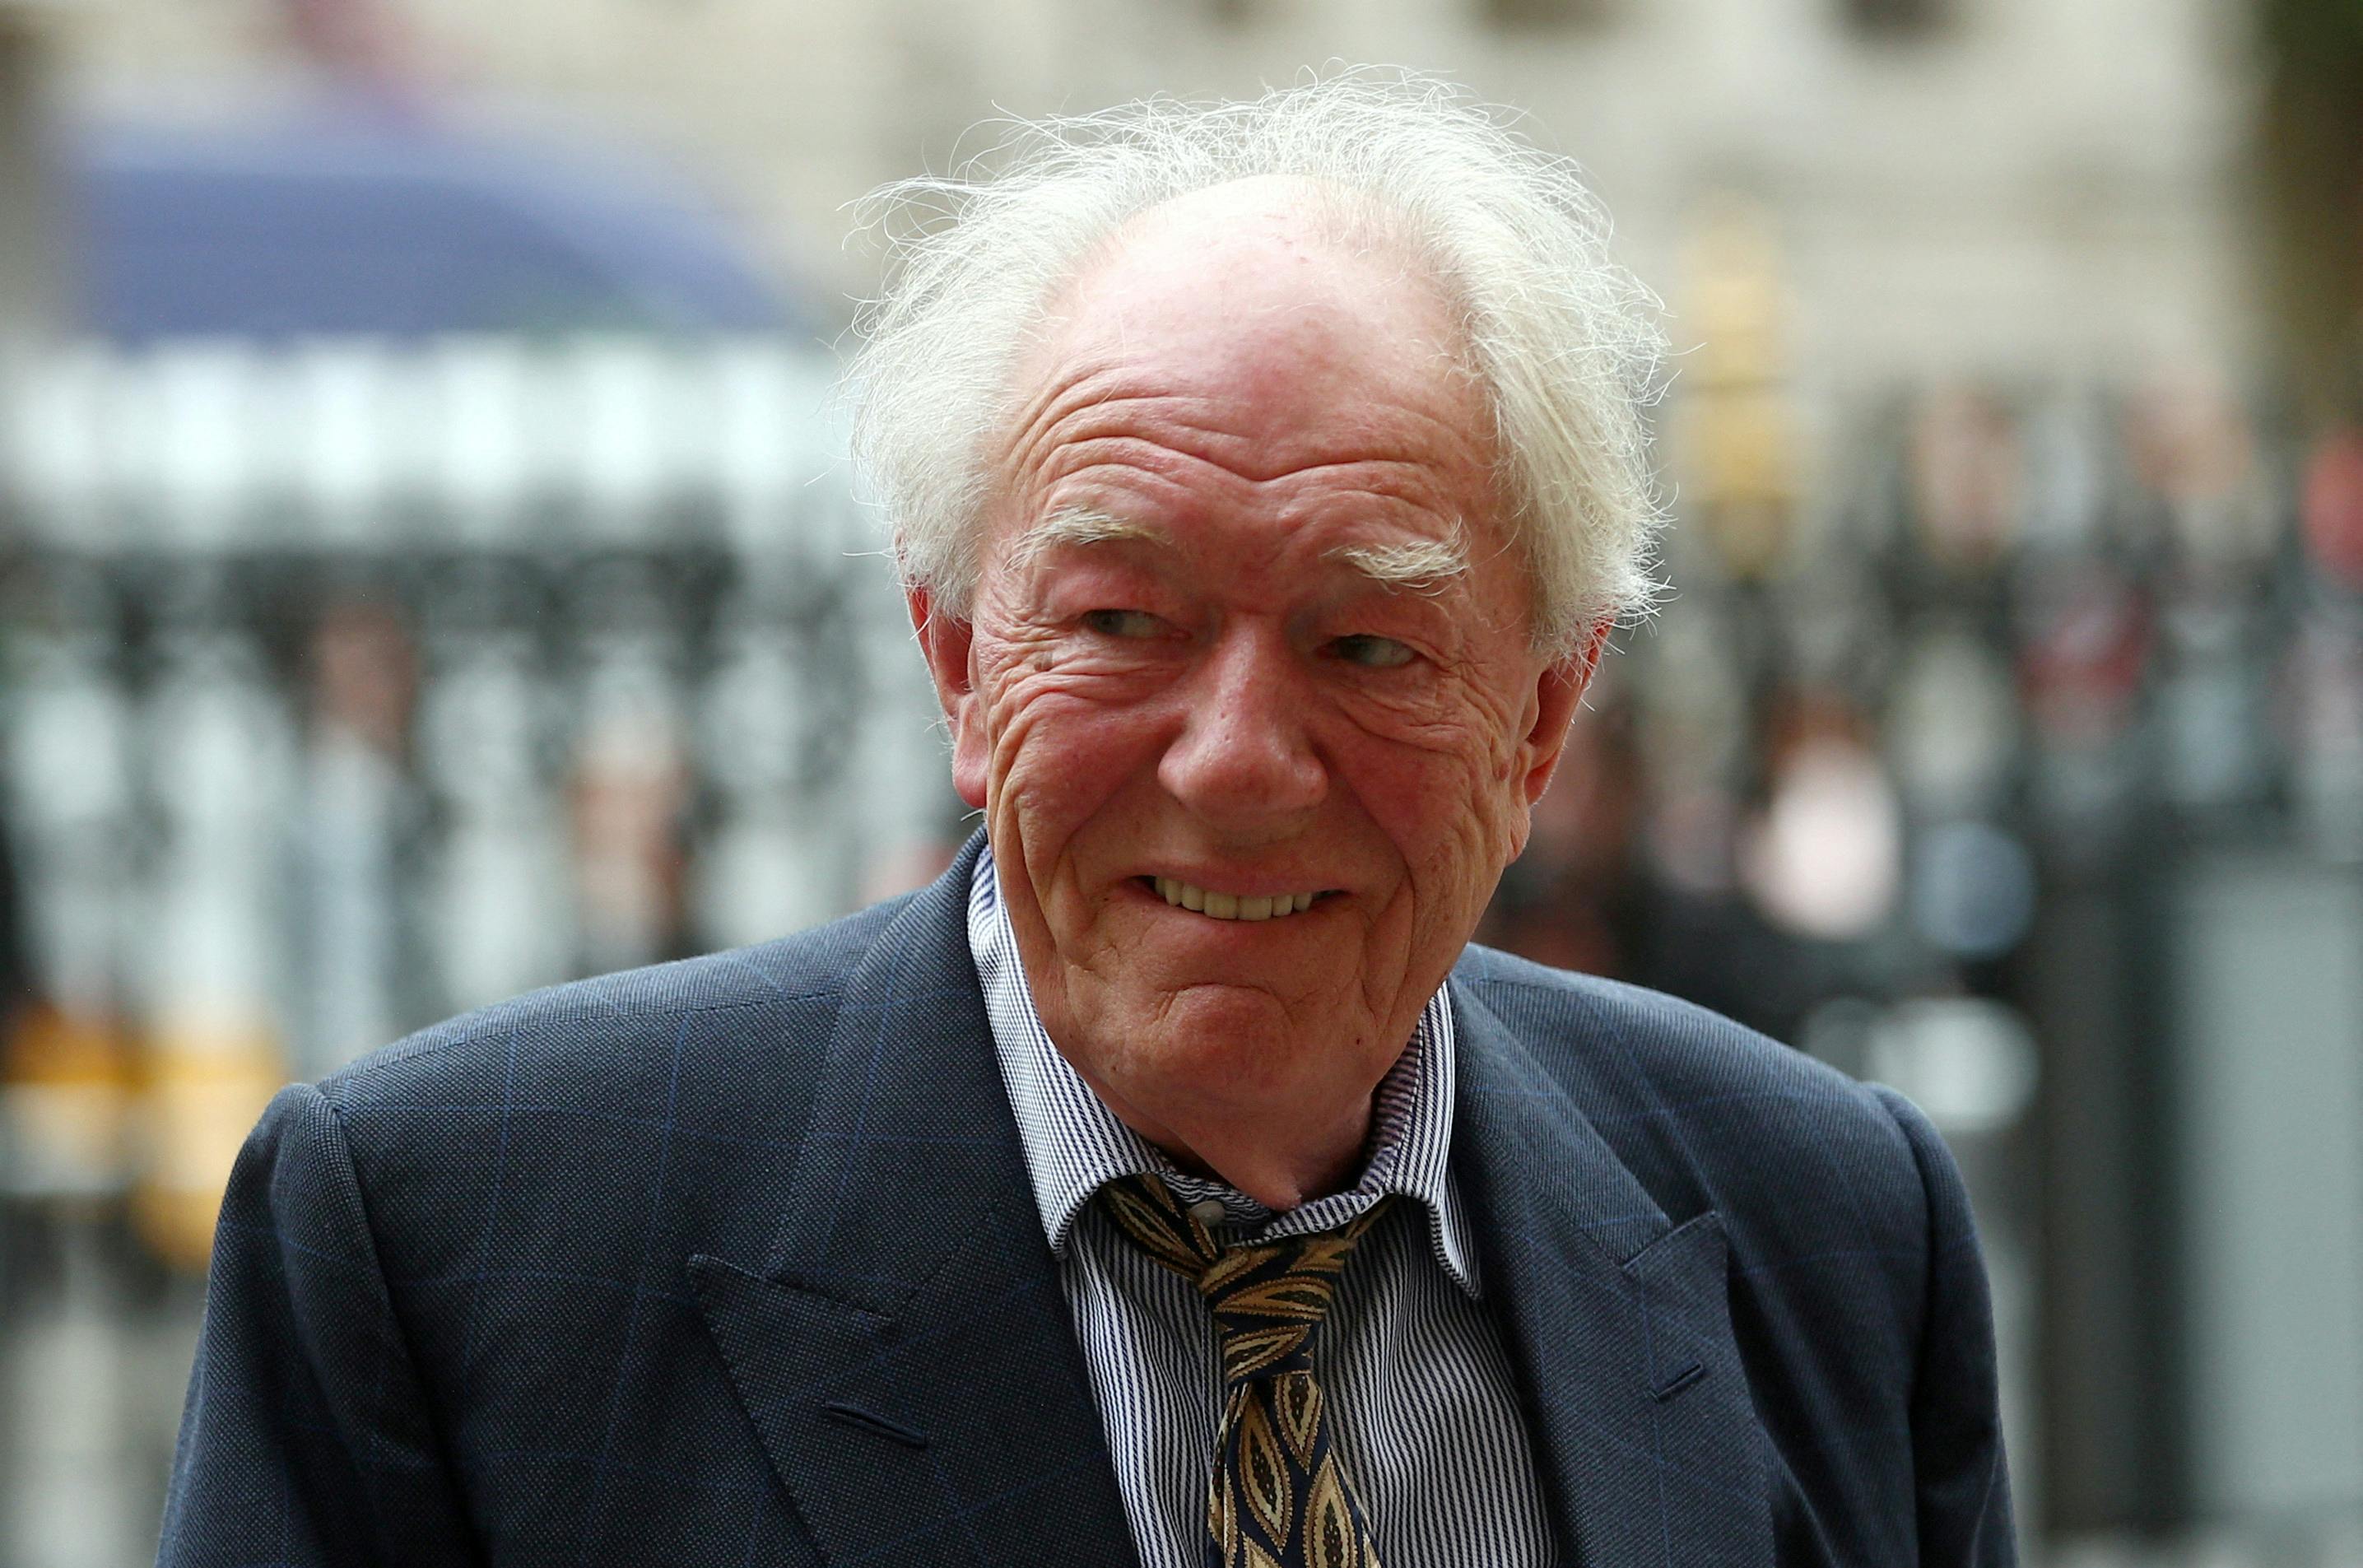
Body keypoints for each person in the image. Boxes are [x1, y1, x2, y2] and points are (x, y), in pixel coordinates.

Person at [159, 74, 2012, 1568]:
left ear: (1538, 716)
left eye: (1362, 638)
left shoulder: (1823, 1225)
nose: (1229, 757)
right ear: (958, 663)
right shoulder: (451, 1246)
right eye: (1123, 622)